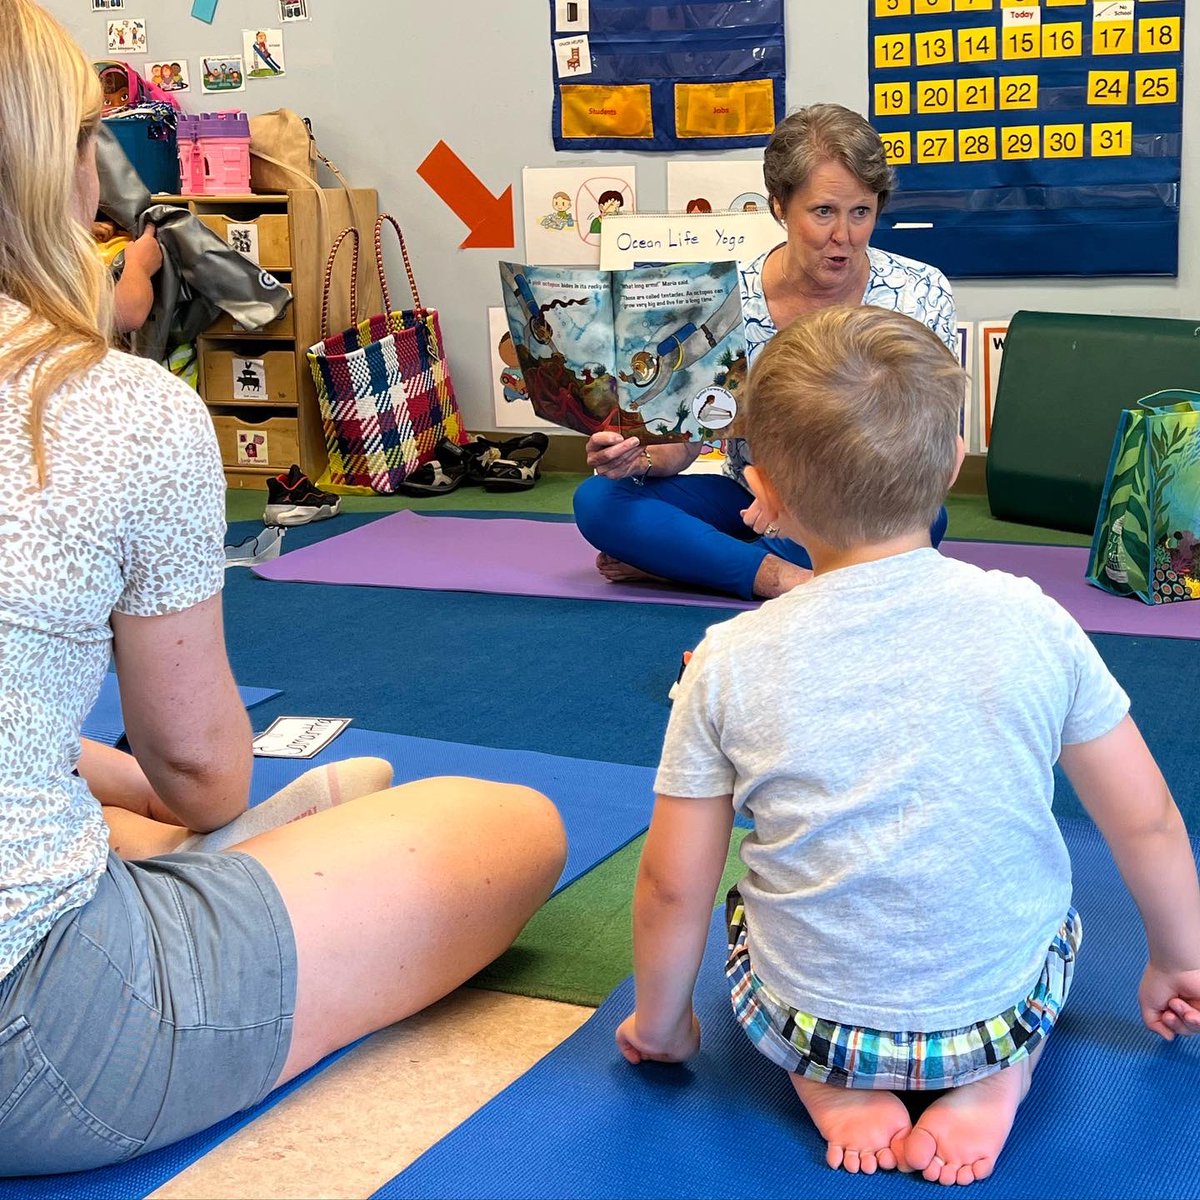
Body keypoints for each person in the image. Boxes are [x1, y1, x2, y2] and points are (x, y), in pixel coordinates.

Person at [0, 1, 566, 1176]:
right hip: (42, 1037)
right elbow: (205, 777)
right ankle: (203, 873)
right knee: (506, 827)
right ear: (57, 171)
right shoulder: (113, 409)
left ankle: (155, 857)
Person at [615, 305, 1200, 1185]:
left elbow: (672, 883)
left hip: (816, 1017)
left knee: (744, 909)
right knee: (1049, 923)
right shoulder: (1034, 619)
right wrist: (1180, 959)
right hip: (996, 1008)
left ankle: (832, 1083)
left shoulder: (729, 659)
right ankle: (1000, 1074)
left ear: (763, 493)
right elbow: (1148, 820)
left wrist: (660, 1025)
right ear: (955, 461)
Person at [574, 103, 957, 601]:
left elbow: (932, 447)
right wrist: (638, 457)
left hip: (862, 504)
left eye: (861, 212)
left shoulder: (918, 292)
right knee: (600, 501)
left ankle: (698, 565)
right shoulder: (725, 294)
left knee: (926, 517)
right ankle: (785, 579)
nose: (844, 236)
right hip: (749, 493)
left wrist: (799, 510)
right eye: (823, 212)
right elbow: (687, 442)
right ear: (779, 205)